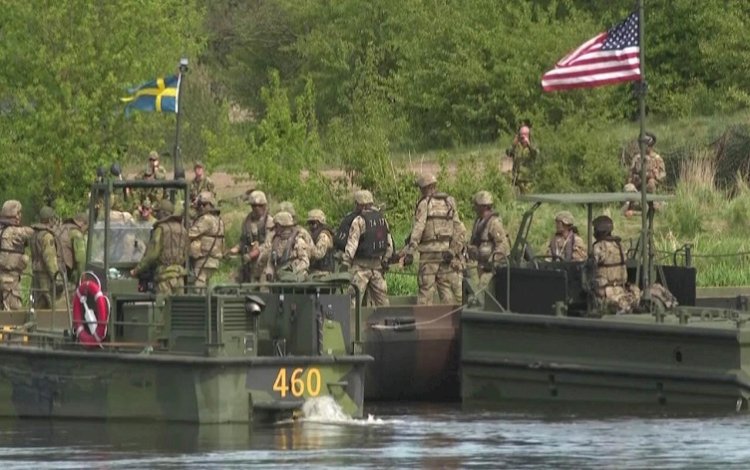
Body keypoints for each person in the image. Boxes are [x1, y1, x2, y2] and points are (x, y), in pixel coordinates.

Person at [403, 173, 463, 305]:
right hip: (446, 254)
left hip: (429, 256)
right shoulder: (449, 202)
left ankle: (424, 321)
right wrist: (453, 250)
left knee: (426, 290)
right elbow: (459, 229)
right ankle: (450, 321)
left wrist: (410, 251)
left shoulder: (425, 203)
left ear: (425, 188)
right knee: (446, 291)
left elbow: (419, 228)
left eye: (421, 188)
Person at [340, 190, 393, 307]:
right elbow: (389, 244)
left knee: (352, 301)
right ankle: (388, 322)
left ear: (360, 204)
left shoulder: (359, 220)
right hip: (378, 268)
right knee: (383, 302)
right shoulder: (382, 220)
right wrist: (386, 259)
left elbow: (352, 244)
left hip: (360, 268)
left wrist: (346, 261)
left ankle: (352, 324)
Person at [130, 200, 188, 294]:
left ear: (163, 213)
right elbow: (186, 253)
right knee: (178, 307)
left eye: (158, 212)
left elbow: (152, 255)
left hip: (165, 278)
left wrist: (136, 270)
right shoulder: (183, 230)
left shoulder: (161, 229)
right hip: (179, 278)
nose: (157, 215)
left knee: (163, 307)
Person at [591, 215, 639, 314]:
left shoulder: (599, 247)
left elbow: (590, 265)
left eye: (595, 229)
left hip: (604, 292)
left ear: (599, 231)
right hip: (620, 288)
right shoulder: (619, 245)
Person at [468, 191, 510, 292]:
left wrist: (492, 261)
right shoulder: (479, 221)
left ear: (484, 206)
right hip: (481, 264)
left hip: (491, 268)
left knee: (482, 291)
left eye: (477, 205)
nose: (475, 208)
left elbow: (503, 245)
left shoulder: (494, 223)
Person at [229, 190, 274, 283]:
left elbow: (269, 244)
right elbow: (243, 240)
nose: (256, 208)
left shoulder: (269, 221)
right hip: (248, 261)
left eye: (259, 206)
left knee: (263, 288)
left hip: (264, 263)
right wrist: (236, 248)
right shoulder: (247, 221)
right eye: (253, 206)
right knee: (232, 283)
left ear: (264, 206)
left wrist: (253, 253)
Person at [0, 200, 33, 310]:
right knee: (12, 314)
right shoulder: (14, 231)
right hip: (9, 280)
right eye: (18, 213)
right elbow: (32, 233)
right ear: (13, 214)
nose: (20, 216)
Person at [623, 132, 666, 216]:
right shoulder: (637, 158)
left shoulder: (657, 159)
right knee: (628, 187)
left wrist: (655, 175)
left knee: (651, 183)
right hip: (638, 189)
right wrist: (637, 179)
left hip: (650, 190)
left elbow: (663, 176)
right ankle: (632, 206)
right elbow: (630, 176)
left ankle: (650, 206)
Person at [188, 192, 225, 287]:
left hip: (204, 259)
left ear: (211, 204)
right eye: (199, 205)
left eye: (204, 204)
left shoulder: (206, 219)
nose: (201, 207)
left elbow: (190, 234)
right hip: (212, 259)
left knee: (198, 289)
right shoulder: (218, 219)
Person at [30, 206, 62, 309]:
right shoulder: (47, 236)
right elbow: (50, 259)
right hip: (45, 275)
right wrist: (57, 277)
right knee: (50, 304)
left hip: (35, 273)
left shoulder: (34, 234)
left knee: (36, 302)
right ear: (50, 219)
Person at [264, 211, 309, 282]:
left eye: (276, 226)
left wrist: (292, 271)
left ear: (280, 226)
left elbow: (305, 261)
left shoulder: (298, 241)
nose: (275, 229)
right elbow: (271, 261)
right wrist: (269, 272)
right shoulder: (275, 242)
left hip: (295, 278)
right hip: (279, 277)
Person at [57, 212, 88, 284]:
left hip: (55, 268)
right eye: (86, 228)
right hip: (66, 270)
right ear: (83, 224)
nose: (85, 231)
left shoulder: (62, 228)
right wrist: (82, 280)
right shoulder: (77, 234)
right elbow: (81, 259)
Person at [507, 122, 539, 193]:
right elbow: (508, 153)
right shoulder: (517, 147)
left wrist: (529, 145)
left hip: (528, 181)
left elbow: (536, 155)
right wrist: (513, 144)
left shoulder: (532, 147)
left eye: (525, 135)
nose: (523, 138)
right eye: (521, 135)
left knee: (529, 200)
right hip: (516, 180)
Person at [307, 209, 334, 277]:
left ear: (320, 223)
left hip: (324, 272)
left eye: (313, 223)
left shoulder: (323, 236)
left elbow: (318, 254)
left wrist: (306, 248)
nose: (310, 226)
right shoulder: (315, 235)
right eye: (309, 223)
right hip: (316, 270)